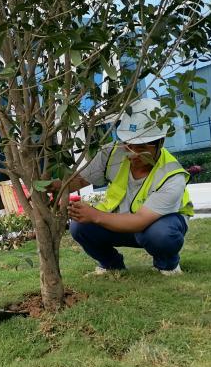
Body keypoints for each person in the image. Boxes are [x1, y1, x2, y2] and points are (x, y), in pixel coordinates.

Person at [50, 99, 194, 276]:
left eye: (141, 147)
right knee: (80, 226)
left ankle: (167, 264)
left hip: (153, 226)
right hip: (118, 222)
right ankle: (111, 265)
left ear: (160, 143)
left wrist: (95, 215)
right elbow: (78, 180)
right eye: (128, 144)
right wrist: (48, 186)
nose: (132, 153)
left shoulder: (172, 175)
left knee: (160, 235)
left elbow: (141, 220)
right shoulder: (113, 152)